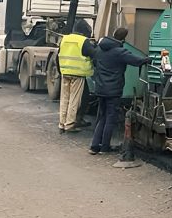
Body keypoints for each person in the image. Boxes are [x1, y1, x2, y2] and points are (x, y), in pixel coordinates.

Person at [85, 26, 150, 154]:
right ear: (123, 39)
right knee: (110, 118)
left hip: (100, 88)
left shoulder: (99, 49)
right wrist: (148, 59)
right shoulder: (119, 52)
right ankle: (104, 147)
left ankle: (94, 146)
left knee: (102, 117)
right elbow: (136, 61)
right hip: (113, 90)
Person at [57, 20, 94, 133]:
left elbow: (58, 55)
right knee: (74, 99)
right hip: (78, 74)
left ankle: (61, 124)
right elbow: (94, 53)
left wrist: (60, 71)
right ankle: (70, 124)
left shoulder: (65, 39)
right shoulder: (84, 41)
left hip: (65, 72)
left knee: (64, 99)